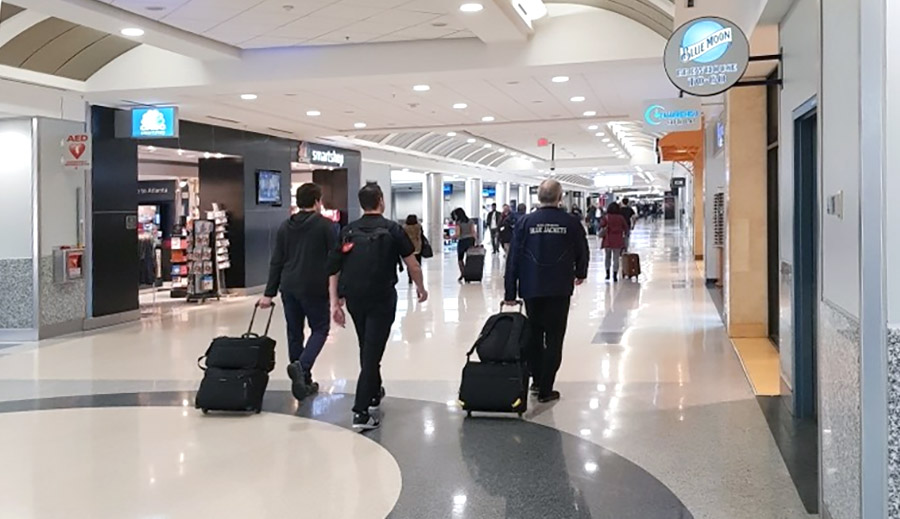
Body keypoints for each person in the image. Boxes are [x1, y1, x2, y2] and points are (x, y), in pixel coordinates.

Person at [328, 183, 428, 431]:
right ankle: (360, 413)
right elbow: (413, 264)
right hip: (382, 297)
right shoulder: (393, 229)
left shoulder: (348, 230)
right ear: (381, 201)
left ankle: (374, 393)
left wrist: (335, 302)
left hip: (355, 298)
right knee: (372, 354)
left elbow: (333, 269)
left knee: (368, 346)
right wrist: (421, 288)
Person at [504, 179, 589, 403]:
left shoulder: (525, 223)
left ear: (538, 197)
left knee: (533, 335)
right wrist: (581, 272)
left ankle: (537, 381)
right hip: (559, 288)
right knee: (554, 337)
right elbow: (582, 249)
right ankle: (546, 388)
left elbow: (513, 258)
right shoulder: (570, 222)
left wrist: (510, 291)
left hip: (531, 288)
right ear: (560, 197)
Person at [259, 183, 336, 401]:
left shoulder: (285, 226)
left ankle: (303, 382)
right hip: (314, 286)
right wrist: (341, 291)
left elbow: (277, 261)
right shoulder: (326, 226)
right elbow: (336, 258)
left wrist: (269, 292)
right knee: (320, 328)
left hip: (288, 286)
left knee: (294, 332)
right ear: (316, 201)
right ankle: (302, 368)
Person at [600, 202, 629, 282]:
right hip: (618, 240)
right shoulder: (621, 218)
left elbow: (601, 225)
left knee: (607, 257)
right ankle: (615, 275)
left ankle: (607, 274)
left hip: (608, 240)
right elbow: (626, 228)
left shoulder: (606, 217)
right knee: (616, 258)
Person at [452, 208, 478, 282]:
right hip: (470, 240)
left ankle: (463, 273)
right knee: (469, 258)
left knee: (460, 259)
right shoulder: (470, 221)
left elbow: (458, 234)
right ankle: (469, 274)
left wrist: (449, 237)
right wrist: (476, 241)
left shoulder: (458, 222)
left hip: (462, 241)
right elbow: (473, 232)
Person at [402, 214, 424, 284]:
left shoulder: (405, 227)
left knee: (409, 264)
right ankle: (417, 277)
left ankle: (410, 277)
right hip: (417, 247)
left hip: (408, 247)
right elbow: (421, 236)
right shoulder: (418, 226)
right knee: (417, 263)